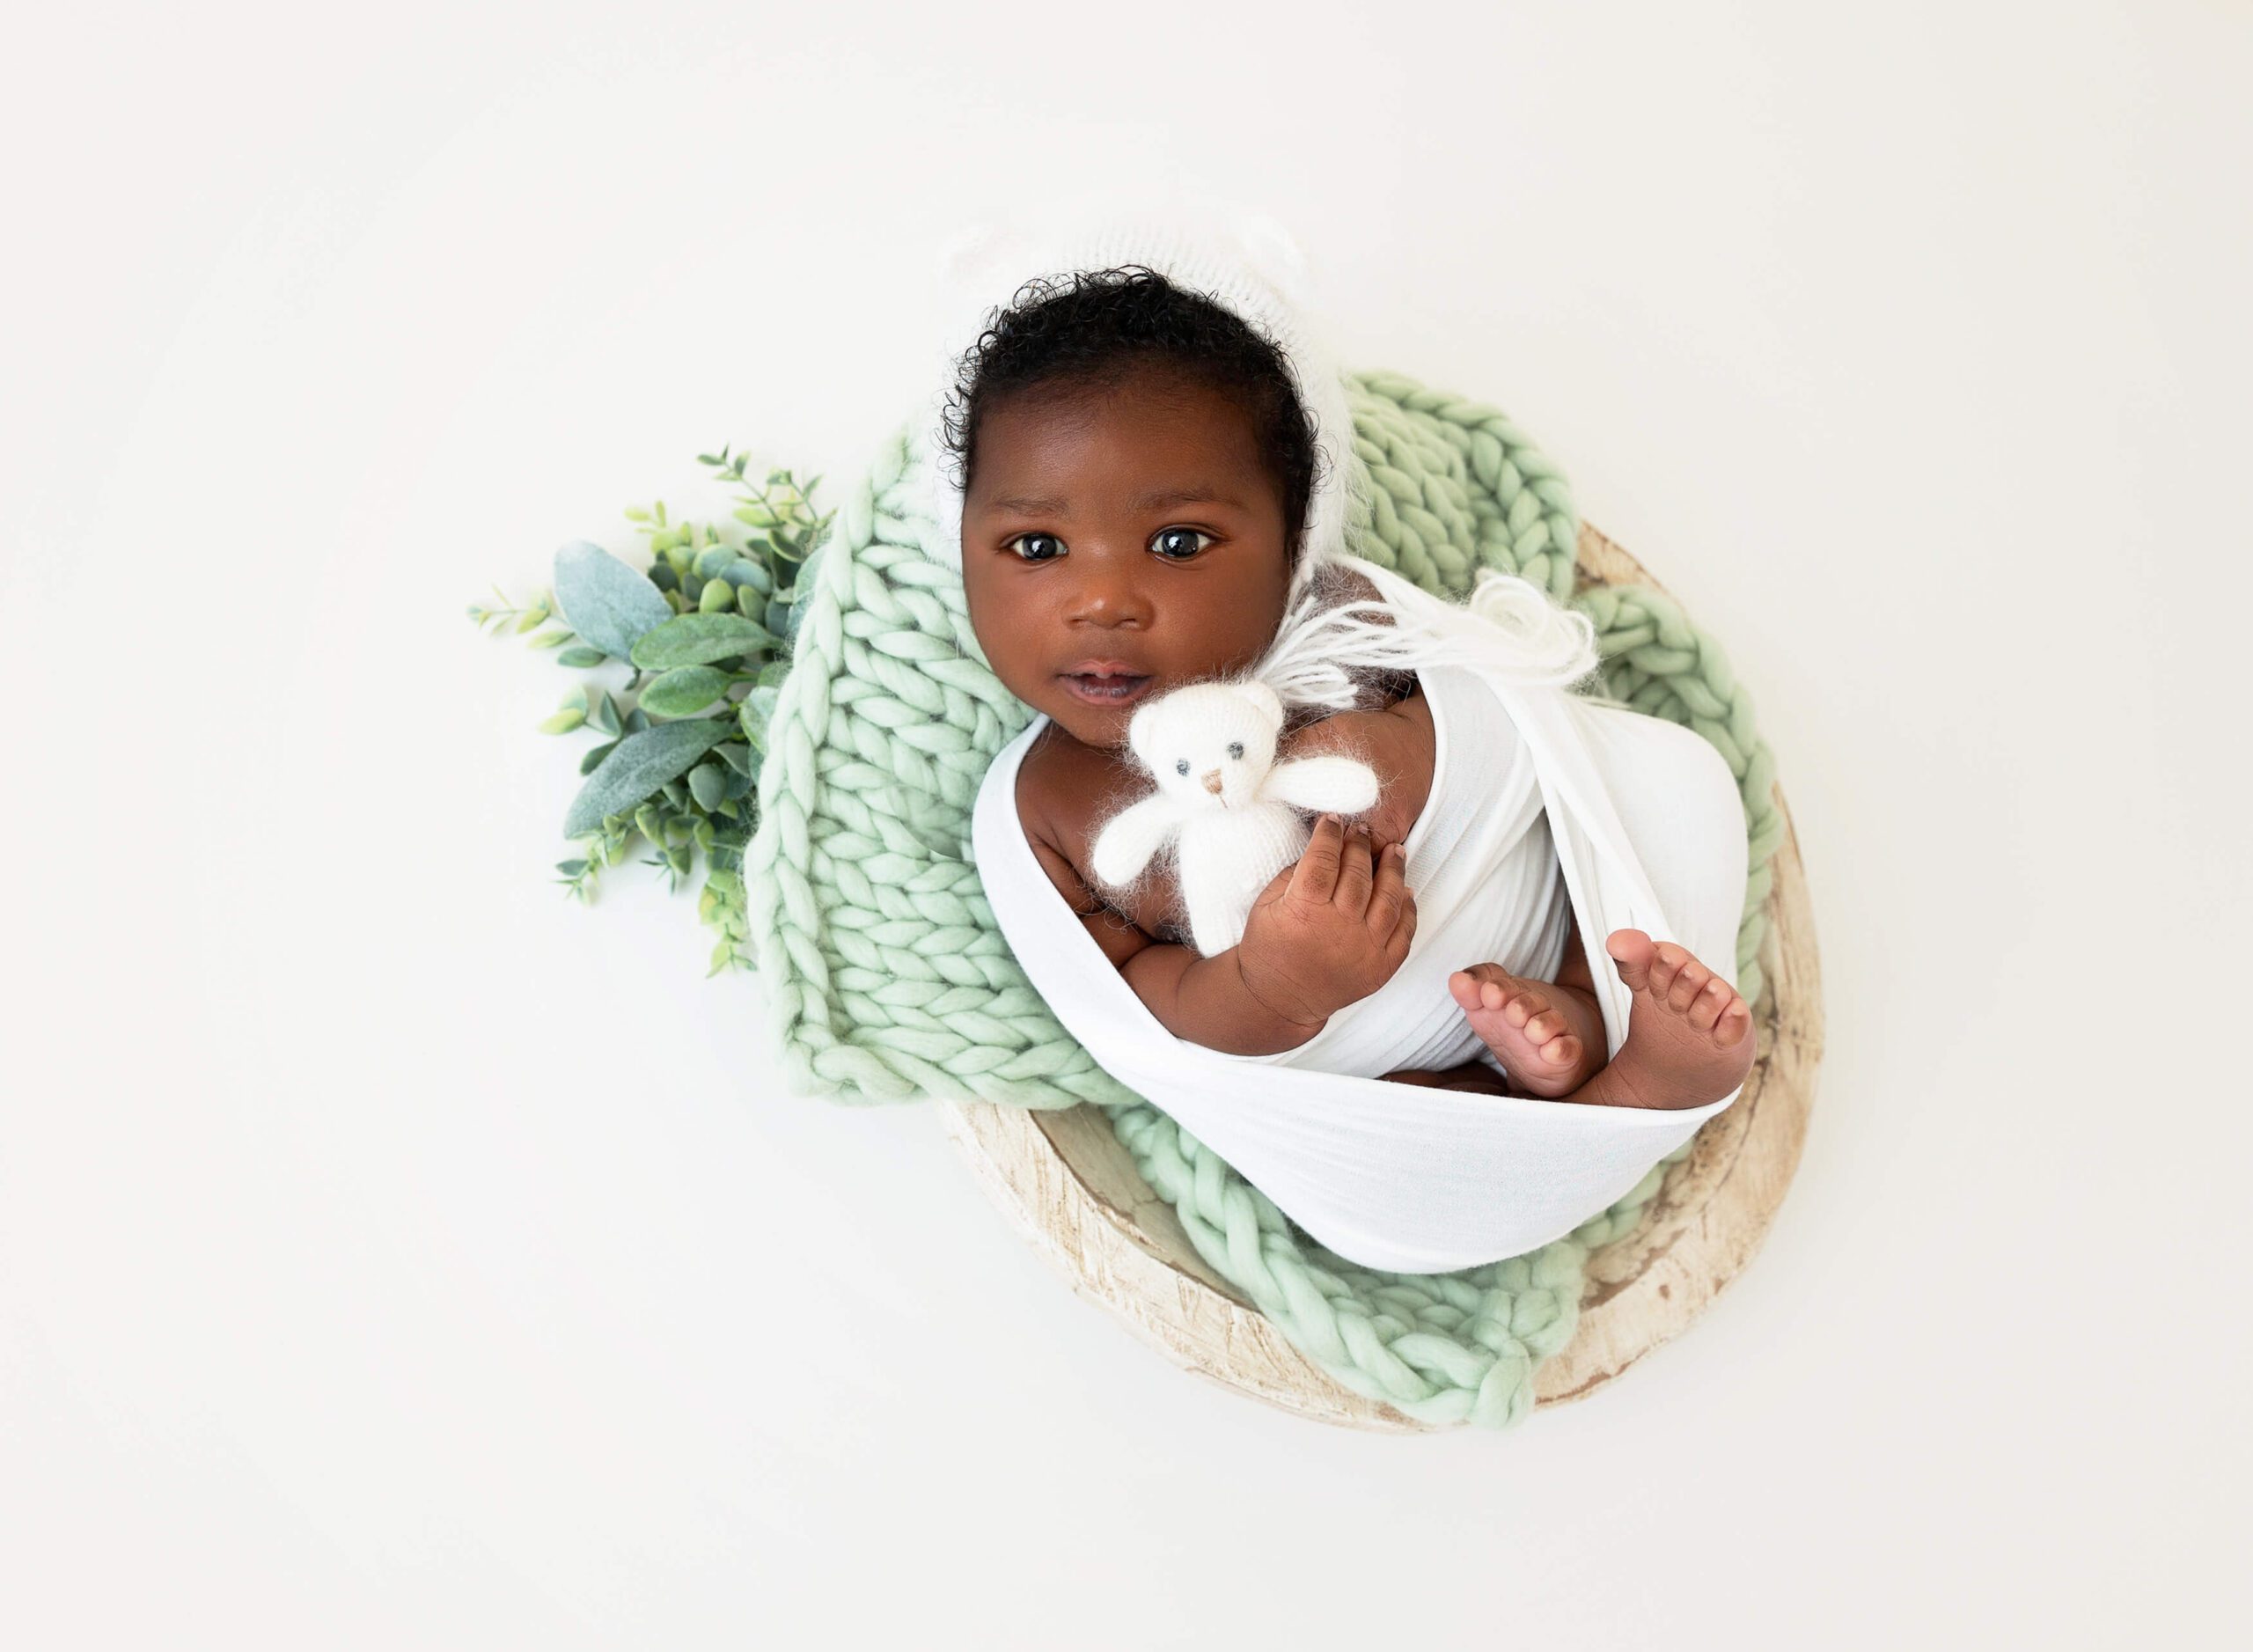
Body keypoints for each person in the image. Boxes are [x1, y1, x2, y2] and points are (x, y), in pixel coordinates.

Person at [944, 266, 1752, 1112]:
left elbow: (1512, 711)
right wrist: (1274, 985)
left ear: (1291, 544)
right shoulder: (1042, 808)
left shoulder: (1336, 627)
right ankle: (1595, 1094)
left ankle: (1598, 1016)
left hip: (1542, 912)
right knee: (1392, 1124)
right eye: (1036, 547)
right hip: (1353, 1066)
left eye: (1179, 542)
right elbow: (1135, 997)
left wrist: (1413, 749)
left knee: (1664, 784)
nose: (1102, 601)